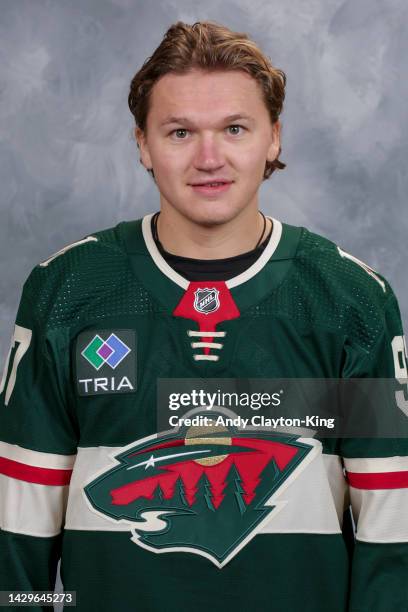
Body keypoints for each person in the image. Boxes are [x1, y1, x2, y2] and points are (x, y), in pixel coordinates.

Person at [0, 20, 407, 612]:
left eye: (235, 128)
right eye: (180, 131)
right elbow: (19, 525)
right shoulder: (66, 291)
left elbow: (391, 529)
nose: (209, 157)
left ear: (273, 139)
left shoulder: (351, 301)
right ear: (142, 143)